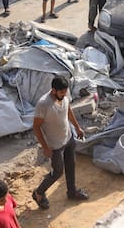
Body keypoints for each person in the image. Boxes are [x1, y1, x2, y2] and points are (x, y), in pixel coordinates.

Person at [32, 76, 89, 209]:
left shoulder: (64, 96)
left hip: (68, 138)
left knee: (71, 165)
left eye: (65, 92)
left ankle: (72, 192)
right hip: (54, 145)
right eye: (61, 92)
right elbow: (36, 127)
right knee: (57, 172)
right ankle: (38, 193)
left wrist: (77, 127)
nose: (64, 95)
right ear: (53, 90)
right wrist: (45, 147)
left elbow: (68, 110)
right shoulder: (43, 104)